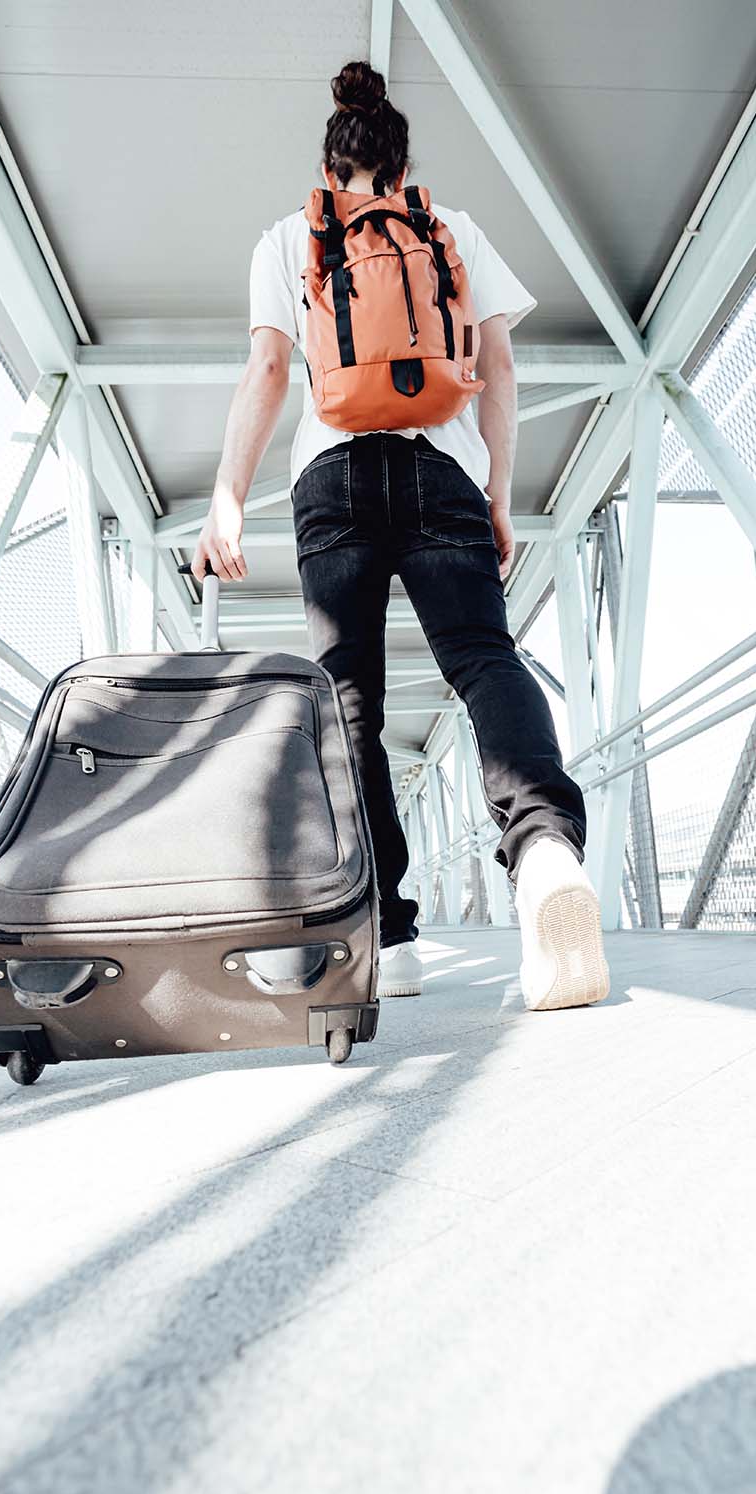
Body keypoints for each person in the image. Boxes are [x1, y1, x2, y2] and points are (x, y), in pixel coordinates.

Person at [193, 60, 609, 1010]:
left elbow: (267, 370)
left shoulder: (286, 235)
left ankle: (391, 931)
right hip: (440, 465)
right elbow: (498, 362)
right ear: (399, 157)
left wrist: (227, 497)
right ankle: (544, 850)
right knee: (482, 659)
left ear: (328, 159)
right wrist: (498, 491)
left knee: (348, 704)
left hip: (330, 473)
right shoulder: (452, 229)